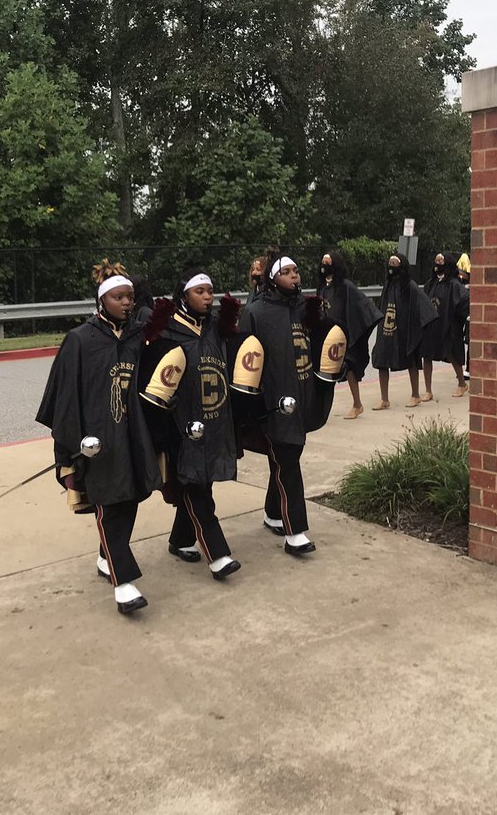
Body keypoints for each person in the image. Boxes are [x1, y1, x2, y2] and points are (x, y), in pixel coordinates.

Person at [36, 259, 162, 615]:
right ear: (102, 300)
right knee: (108, 501)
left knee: (132, 496)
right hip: (98, 438)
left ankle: (108, 555)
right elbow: (63, 396)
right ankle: (124, 583)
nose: (126, 303)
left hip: (133, 433)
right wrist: (74, 442)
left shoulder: (137, 337)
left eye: (130, 298)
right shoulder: (80, 339)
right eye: (119, 297)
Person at [237, 249, 343, 555]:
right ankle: (296, 531)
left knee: (283, 459)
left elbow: (324, 345)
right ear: (273, 278)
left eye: (296, 270)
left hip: (303, 395)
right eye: (287, 271)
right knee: (287, 459)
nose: (294, 275)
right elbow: (244, 357)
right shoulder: (256, 312)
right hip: (274, 400)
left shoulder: (307, 309)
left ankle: (273, 514)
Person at [139, 269, 242, 581]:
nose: (208, 296)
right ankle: (218, 554)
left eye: (210, 290)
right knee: (195, 487)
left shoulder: (214, 328)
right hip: (180, 425)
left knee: (202, 481)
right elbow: (153, 381)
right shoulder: (166, 331)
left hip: (214, 419)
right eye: (200, 291)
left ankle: (180, 539)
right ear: (184, 295)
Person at [317, 250, 381, 419]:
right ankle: (322, 407)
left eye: (328, 262)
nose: (324, 265)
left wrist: (351, 330)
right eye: (323, 261)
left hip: (344, 334)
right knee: (326, 370)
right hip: (327, 334)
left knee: (349, 367)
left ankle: (357, 404)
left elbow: (362, 306)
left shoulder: (346, 286)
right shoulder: (323, 287)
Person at [370, 253, 436, 409]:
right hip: (387, 329)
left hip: (405, 329)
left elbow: (424, 305)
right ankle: (384, 399)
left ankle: (415, 395)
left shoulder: (410, 286)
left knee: (411, 360)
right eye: (390, 263)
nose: (392, 267)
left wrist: (420, 325)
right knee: (381, 360)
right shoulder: (388, 284)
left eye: (395, 263)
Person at [420, 252, 470, 399]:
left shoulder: (454, 284)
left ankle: (462, 383)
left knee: (450, 352)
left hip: (448, 325)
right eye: (436, 261)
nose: (437, 264)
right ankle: (428, 390)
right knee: (426, 355)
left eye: (441, 261)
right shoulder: (431, 283)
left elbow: (464, 301)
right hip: (431, 325)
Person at [456, 253, 471, 382]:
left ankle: (469, 369)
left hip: (471, 317)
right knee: (468, 343)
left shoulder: (472, 282)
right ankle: (467, 369)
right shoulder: (459, 283)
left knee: (471, 344)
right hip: (466, 317)